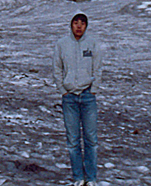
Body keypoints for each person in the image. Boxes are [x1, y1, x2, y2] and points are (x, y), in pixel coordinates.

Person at [52, 12, 103, 186]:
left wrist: (94, 89)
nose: (79, 26)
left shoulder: (93, 43)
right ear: (71, 25)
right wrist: (62, 90)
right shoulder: (61, 44)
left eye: (82, 23)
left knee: (91, 139)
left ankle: (91, 178)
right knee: (73, 140)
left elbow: (98, 67)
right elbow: (57, 68)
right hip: (70, 98)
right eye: (76, 23)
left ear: (86, 26)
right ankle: (78, 178)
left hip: (88, 96)